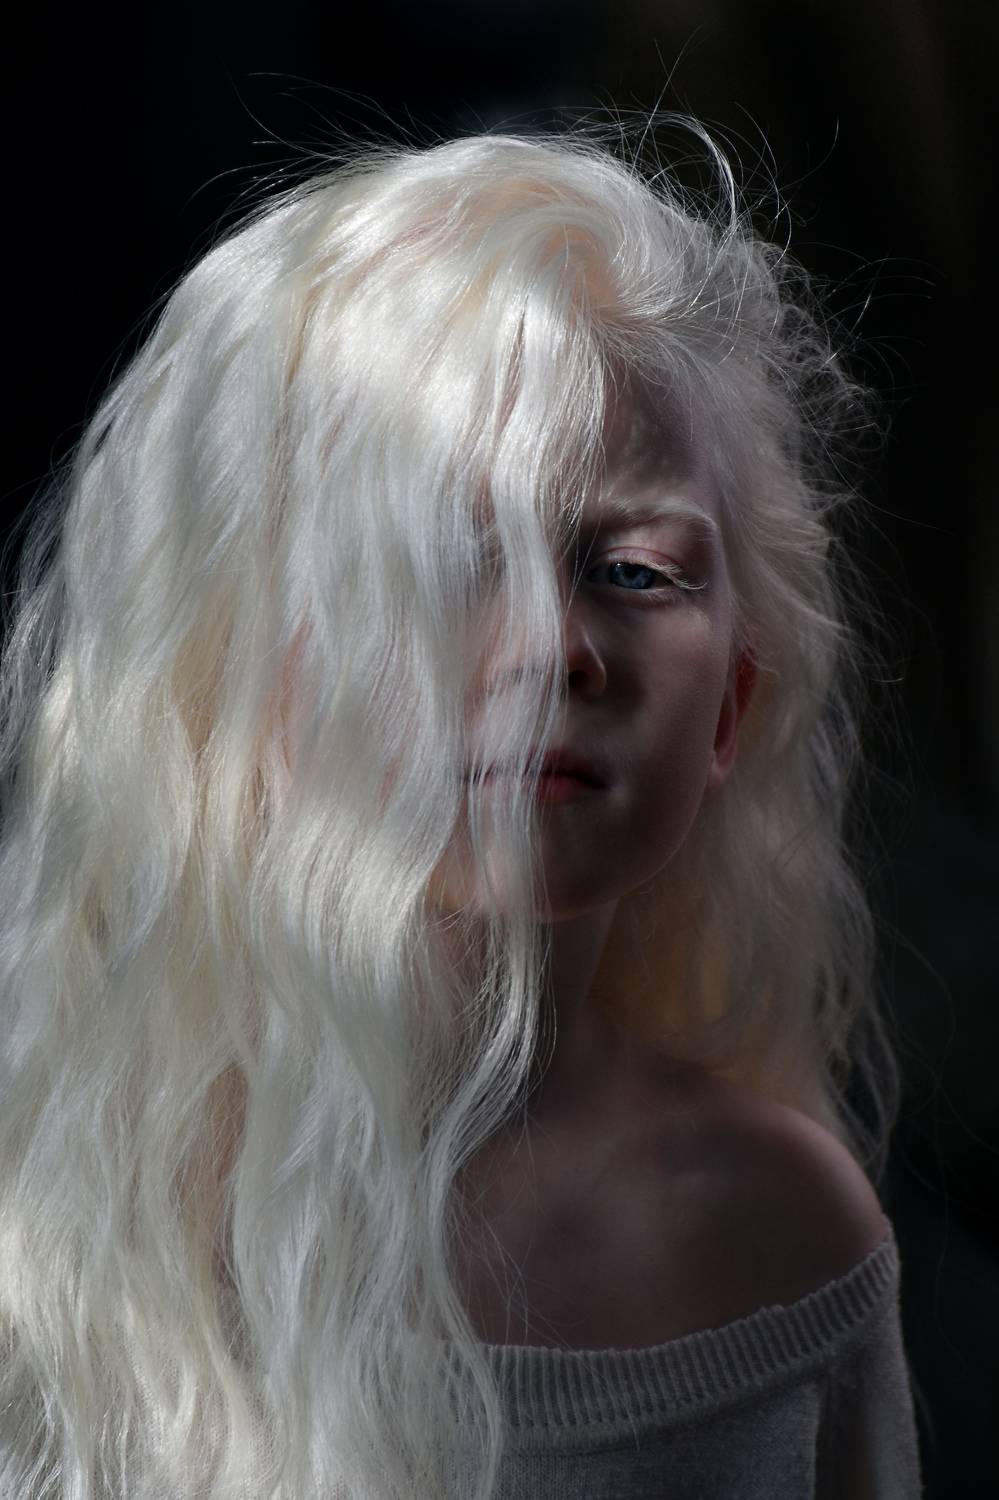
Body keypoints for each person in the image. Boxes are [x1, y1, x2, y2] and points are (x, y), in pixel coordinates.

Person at [0, 121, 923, 1497]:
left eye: (633, 570)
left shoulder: (783, 1232)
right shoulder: (60, 1221)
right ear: (244, 670)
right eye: (438, 558)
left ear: (733, 705)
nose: (551, 648)